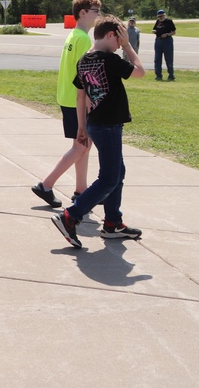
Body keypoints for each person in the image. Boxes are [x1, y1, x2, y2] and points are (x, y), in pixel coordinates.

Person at [52, 15, 146, 249]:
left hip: (95, 124)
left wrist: (82, 127)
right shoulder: (109, 59)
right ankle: (70, 215)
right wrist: (128, 46)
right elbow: (140, 71)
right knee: (109, 178)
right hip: (109, 125)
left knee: (117, 173)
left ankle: (112, 223)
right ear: (111, 35)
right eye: (119, 39)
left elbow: (80, 95)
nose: (119, 45)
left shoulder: (84, 60)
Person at [30, 0, 101, 209]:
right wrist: (90, 101)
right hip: (76, 100)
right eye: (96, 11)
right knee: (82, 145)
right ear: (83, 13)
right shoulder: (83, 39)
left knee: (83, 146)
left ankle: (81, 191)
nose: (99, 15)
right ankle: (46, 185)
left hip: (68, 97)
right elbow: (85, 75)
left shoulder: (74, 35)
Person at [153, 9, 176, 81]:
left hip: (167, 41)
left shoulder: (169, 21)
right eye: (159, 16)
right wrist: (154, 31)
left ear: (164, 15)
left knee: (168, 59)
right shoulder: (158, 22)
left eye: (161, 16)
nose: (160, 18)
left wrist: (167, 34)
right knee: (157, 59)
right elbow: (155, 29)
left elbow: (174, 31)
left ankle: (171, 75)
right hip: (158, 40)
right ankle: (158, 75)